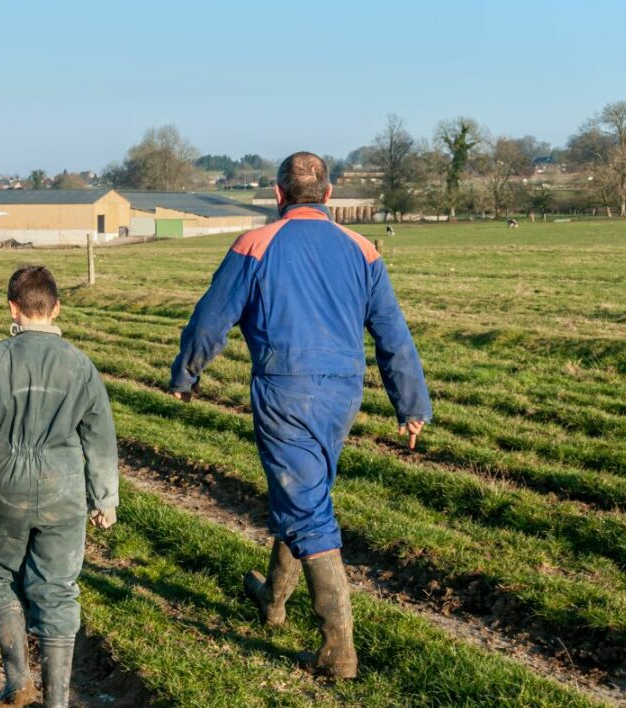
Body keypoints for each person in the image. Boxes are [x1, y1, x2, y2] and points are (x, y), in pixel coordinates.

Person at [169, 152, 431, 679]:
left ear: (277, 193)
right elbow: (393, 334)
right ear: (329, 195)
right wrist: (412, 405)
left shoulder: (255, 244)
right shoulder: (363, 249)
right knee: (305, 492)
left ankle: (339, 650)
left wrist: (186, 374)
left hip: (286, 387)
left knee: (307, 506)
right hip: (343, 392)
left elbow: (210, 319)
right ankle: (273, 600)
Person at [0, 265, 120, 708]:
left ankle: (17, 681)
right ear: (57, 308)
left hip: (6, 484)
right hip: (65, 488)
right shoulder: (81, 365)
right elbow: (100, 439)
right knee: (58, 589)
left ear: (12, 307)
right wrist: (104, 498)